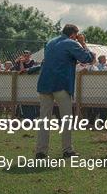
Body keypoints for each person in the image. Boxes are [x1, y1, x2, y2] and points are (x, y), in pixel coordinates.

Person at [35, 24, 95, 159]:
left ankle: (41, 151)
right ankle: (67, 150)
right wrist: (82, 43)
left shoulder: (50, 43)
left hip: (44, 83)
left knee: (44, 119)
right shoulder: (71, 43)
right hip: (61, 84)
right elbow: (88, 58)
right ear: (73, 34)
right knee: (66, 119)